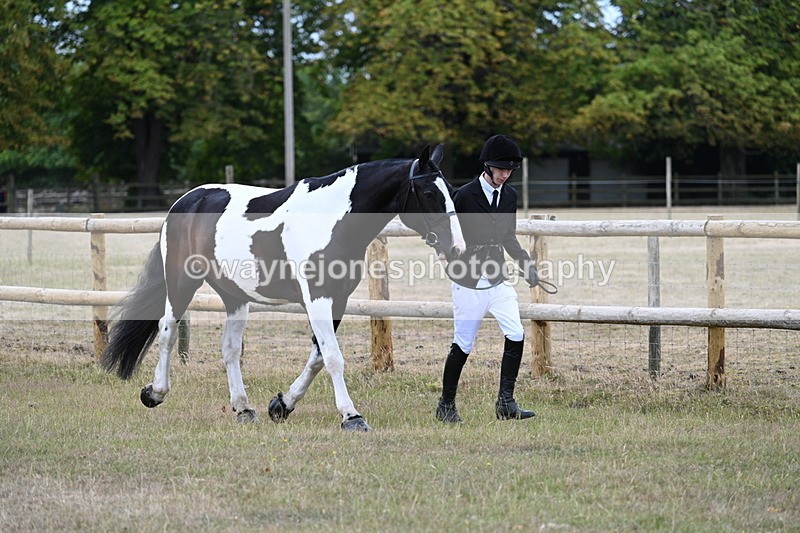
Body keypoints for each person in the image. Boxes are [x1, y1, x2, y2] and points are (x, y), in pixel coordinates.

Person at [437, 134, 538, 423]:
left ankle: (506, 403)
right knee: (464, 344)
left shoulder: (510, 196)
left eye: (509, 170)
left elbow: (508, 236)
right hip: (467, 280)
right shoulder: (465, 195)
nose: (505, 175)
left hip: (497, 278)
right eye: (500, 169)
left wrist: (525, 265)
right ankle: (446, 404)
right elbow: (447, 235)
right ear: (487, 166)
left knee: (515, 333)